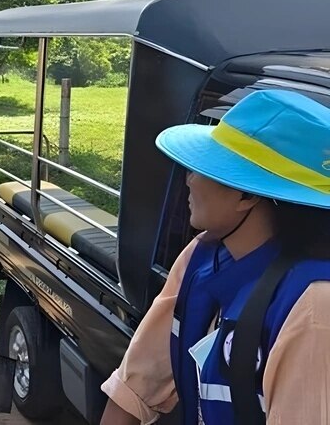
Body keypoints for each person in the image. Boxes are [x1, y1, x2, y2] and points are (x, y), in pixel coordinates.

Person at [100, 88, 330, 425]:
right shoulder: (201, 256)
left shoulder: (314, 304)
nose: (189, 180)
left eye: (209, 169)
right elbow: (136, 384)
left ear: (247, 195)